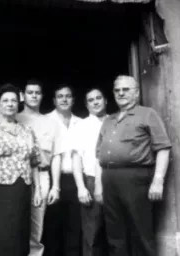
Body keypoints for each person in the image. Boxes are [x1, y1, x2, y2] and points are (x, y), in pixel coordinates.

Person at [96, 75, 171, 256]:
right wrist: (99, 185)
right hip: (109, 178)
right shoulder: (109, 120)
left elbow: (163, 148)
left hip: (136, 178)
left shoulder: (148, 114)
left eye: (126, 89)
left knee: (140, 229)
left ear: (136, 93)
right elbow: (99, 155)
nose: (121, 93)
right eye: (117, 90)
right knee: (115, 231)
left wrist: (158, 180)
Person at [0, 83, 43, 256]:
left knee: (18, 235)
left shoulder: (27, 130)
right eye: (5, 100)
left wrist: (37, 190)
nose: (10, 104)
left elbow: (34, 162)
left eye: (13, 100)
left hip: (22, 190)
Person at [16, 79, 55, 256]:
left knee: (36, 225)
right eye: (30, 92)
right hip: (16, 176)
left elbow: (56, 155)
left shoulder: (49, 121)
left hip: (42, 175)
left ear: (42, 96)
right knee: (14, 221)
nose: (34, 95)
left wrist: (56, 186)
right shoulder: (14, 118)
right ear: (22, 96)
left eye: (37, 93)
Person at [44, 84, 84, 256]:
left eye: (68, 96)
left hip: (76, 180)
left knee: (75, 226)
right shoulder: (45, 120)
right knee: (52, 226)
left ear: (73, 100)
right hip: (51, 180)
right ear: (54, 100)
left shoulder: (81, 123)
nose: (64, 99)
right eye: (60, 96)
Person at [72, 88, 108, 256]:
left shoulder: (116, 121)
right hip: (91, 180)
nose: (95, 102)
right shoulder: (82, 125)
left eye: (98, 98)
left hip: (116, 180)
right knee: (92, 233)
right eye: (91, 100)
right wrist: (81, 187)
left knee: (116, 231)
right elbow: (76, 157)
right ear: (87, 105)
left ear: (105, 100)